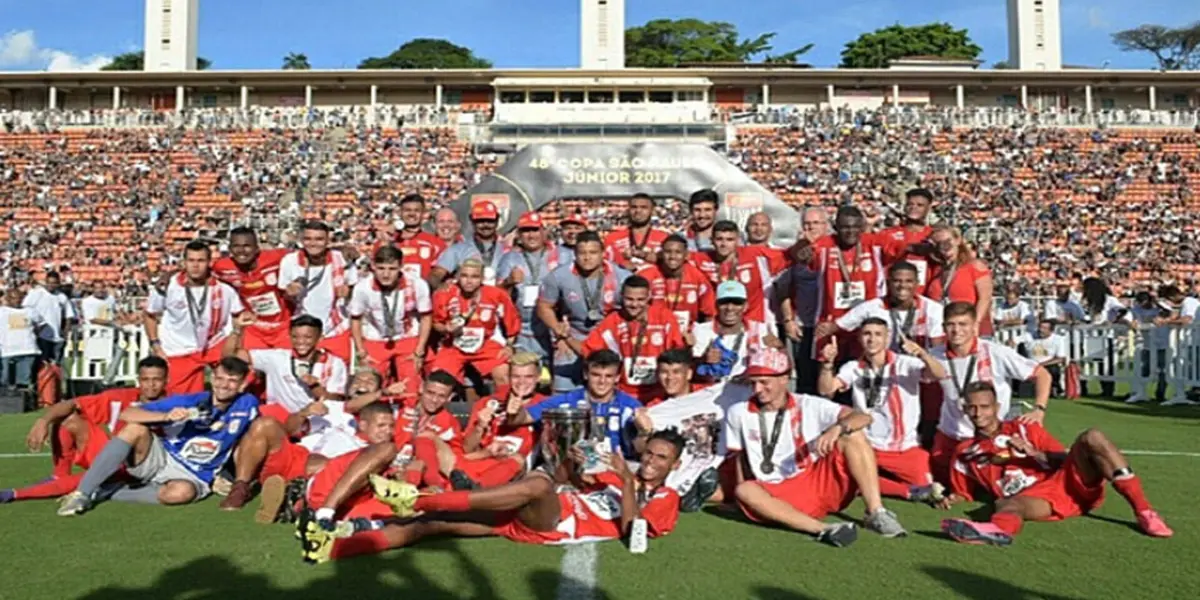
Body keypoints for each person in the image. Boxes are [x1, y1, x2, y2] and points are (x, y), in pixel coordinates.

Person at [296, 428, 685, 564]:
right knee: (428, 528)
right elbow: (565, 481)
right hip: (540, 512)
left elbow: (635, 538)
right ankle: (329, 549)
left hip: (554, 525)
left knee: (537, 484)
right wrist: (570, 460)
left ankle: (416, 498)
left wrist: (629, 484)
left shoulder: (665, 496)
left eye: (660, 458)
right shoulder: (616, 477)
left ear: (674, 464)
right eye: (649, 453)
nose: (650, 462)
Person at [939, 382, 1173, 545]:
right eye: (972, 407)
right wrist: (951, 497)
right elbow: (964, 492)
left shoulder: (1024, 427)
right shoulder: (964, 452)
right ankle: (997, 531)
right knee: (1006, 504)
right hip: (1035, 500)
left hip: (1065, 483)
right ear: (964, 409)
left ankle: (1145, 512)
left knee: (1093, 437)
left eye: (984, 406)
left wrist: (1033, 452)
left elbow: (1063, 457)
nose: (978, 413)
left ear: (997, 407)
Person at [727, 346, 908, 547]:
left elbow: (863, 417)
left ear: (784, 379)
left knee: (853, 434)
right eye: (753, 383)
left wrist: (837, 429)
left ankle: (876, 512)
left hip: (817, 480)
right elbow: (739, 458)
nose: (757, 390)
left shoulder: (809, 404)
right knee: (744, 490)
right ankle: (823, 529)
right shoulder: (738, 412)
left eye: (764, 382)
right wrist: (738, 501)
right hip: (777, 490)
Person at [56, 357, 260, 516]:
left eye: (232, 381)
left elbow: (252, 438)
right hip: (163, 457)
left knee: (180, 494)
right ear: (213, 379)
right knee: (135, 429)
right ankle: (81, 494)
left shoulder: (248, 404)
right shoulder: (192, 400)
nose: (224, 385)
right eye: (220, 378)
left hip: (195, 474)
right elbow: (128, 414)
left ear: (242, 386)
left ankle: (109, 491)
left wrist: (228, 477)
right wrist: (166, 416)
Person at [217, 314, 349, 510]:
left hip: (315, 428)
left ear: (320, 338)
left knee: (324, 466)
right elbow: (230, 358)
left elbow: (338, 401)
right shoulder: (277, 357)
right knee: (263, 422)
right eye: (296, 337)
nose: (301, 342)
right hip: (279, 424)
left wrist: (317, 389)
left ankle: (289, 492)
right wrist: (237, 330)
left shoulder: (334, 363)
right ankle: (240, 486)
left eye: (307, 337)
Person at [2, 357, 168, 503]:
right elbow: (71, 403)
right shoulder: (121, 397)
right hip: (113, 456)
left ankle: (14, 494)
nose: (151, 385)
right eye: (146, 379)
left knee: (85, 481)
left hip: (141, 466)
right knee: (68, 417)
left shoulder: (175, 403)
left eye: (157, 380)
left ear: (166, 380)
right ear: (139, 379)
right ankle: (60, 474)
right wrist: (43, 421)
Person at [816, 318, 946, 503]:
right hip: (869, 445)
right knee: (843, 473)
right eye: (867, 334)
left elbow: (939, 374)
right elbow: (826, 390)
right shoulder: (853, 367)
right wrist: (827, 365)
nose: (872, 339)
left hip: (904, 448)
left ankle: (899, 485)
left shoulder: (904, 363)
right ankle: (907, 492)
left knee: (932, 489)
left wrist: (923, 355)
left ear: (887, 339)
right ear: (860, 338)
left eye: (878, 334)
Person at [929, 302, 1051, 484]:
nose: (956, 330)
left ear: (974, 327)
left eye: (963, 324)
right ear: (943, 327)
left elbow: (1042, 374)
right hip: (951, 435)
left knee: (1004, 484)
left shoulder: (996, 352)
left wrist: (1039, 409)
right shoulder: (934, 356)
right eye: (951, 324)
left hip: (991, 437)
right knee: (939, 483)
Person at [144, 240, 246, 394]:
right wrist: (156, 346)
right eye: (191, 260)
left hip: (214, 344)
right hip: (178, 348)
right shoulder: (168, 286)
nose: (195, 265)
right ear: (184, 262)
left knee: (241, 370)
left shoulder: (225, 289)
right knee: (182, 401)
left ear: (209, 262)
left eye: (201, 260)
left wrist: (235, 342)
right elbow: (149, 314)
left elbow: (239, 316)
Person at [536, 231, 630, 391]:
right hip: (573, 335)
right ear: (575, 254)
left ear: (603, 253)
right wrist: (558, 331)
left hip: (609, 337)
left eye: (593, 252)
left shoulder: (621, 277)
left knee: (610, 387)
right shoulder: (559, 276)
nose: (587, 258)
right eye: (582, 253)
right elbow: (544, 306)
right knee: (562, 389)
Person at [507, 350, 643, 460]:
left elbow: (642, 449)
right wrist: (514, 413)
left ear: (617, 377)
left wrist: (645, 432)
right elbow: (524, 418)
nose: (602, 381)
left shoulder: (631, 406)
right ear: (585, 374)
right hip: (573, 468)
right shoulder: (567, 400)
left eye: (608, 376)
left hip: (618, 467)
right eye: (596, 375)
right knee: (536, 482)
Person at [579, 276, 687, 403]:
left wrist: (688, 346)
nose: (635, 304)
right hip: (624, 394)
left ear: (649, 297)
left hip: (660, 394)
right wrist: (565, 337)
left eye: (640, 299)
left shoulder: (665, 318)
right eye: (629, 299)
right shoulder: (612, 321)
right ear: (621, 296)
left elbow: (677, 355)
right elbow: (589, 351)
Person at [450, 352, 545, 490]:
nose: (521, 382)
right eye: (516, 376)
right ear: (509, 378)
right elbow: (467, 448)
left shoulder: (545, 404)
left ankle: (474, 491)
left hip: (513, 468)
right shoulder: (488, 402)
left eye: (528, 377)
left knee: (516, 460)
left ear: (538, 378)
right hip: (480, 460)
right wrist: (480, 427)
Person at [348, 245, 432, 397]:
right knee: (370, 387)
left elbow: (426, 317)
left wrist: (419, 350)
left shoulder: (417, 284)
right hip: (375, 338)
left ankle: (406, 417)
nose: (386, 274)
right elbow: (355, 319)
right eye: (381, 268)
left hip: (407, 337)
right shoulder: (362, 287)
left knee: (410, 387)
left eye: (392, 269)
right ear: (373, 266)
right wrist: (361, 351)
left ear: (401, 266)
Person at [429, 259, 521, 387]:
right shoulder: (444, 294)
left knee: (503, 374)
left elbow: (512, 322)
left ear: (482, 278)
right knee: (437, 380)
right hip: (453, 345)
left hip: (486, 343)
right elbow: (436, 323)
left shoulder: (496, 294)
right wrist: (446, 328)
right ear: (457, 277)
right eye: (464, 276)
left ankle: (504, 405)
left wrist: (509, 346)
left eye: (475, 276)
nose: (469, 281)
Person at [690, 220, 791, 333]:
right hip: (717, 328)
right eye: (719, 239)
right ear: (711, 240)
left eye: (730, 239)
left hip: (754, 327)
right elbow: (673, 254)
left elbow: (790, 254)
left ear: (737, 240)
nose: (724, 244)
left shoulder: (756, 254)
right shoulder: (700, 259)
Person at [279, 220, 358, 362]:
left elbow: (353, 288)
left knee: (338, 378)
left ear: (328, 240)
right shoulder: (290, 261)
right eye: (308, 239)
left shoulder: (342, 259)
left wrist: (348, 292)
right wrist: (289, 293)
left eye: (319, 239)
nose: (313, 243)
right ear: (301, 240)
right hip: (303, 331)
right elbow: (283, 296)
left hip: (336, 330)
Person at [823, 261, 945, 351]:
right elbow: (838, 326)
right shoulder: (870, 307)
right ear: (888, 283)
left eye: (909, 281)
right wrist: (824, 330)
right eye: (897, 281)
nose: (902, 286)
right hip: (882, 369)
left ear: (917, 284)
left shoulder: (933, 309)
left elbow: (938, 347)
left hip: (919, 368)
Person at [496, 212, 569, 362]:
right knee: (524, 377)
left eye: (535, 230)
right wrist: (508, 282)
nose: (531, 235)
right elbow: (497, 296)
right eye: (526, 231)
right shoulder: (509, 258)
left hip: (554, 328)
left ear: (544, 231)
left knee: (557, 378)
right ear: (519, 235)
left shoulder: (562, 255)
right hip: (522, 330)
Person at [212, 227, 294, 350]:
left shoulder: (277, 258)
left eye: (247, 246)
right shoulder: (222, 267)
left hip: (284, 326)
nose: (242, 251)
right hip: (254, 327)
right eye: (236, 246)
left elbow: (303, 259)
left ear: (257, 248)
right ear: (230, 249)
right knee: (248, 365)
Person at [778, 205, 830, 393]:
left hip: (829, 324)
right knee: (805, 379)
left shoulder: (832, 248)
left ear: (826, 225)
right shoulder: (793, 253)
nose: (811, 228)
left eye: (816, 223)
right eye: (806, 224)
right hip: (804, 324)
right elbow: (783, 287)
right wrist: (788, 320)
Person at [637, 234, 715, 343]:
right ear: (660, 254)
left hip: (686, 337)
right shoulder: (646, 276)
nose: (672, 256)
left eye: (678, 252)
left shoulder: (698, 278)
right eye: (668, 252)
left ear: (686, 255)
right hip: (655, 336)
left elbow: (709, 314)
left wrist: (701, 338)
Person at [691, 281, 772, 384]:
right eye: (724, 302)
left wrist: (781, 350)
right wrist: (703, 360)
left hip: (748, 391)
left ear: (745, 306)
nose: (730, 308)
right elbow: (689, 372)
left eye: (736, 302)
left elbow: (777, 371)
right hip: (709, 391)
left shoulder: (760, 330)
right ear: (716, 305)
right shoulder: (701, 330)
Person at [924, 225, 995, 338]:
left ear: (958, 240)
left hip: (971, 330)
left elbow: (985, 298)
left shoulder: (974, 266)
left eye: (948, 241)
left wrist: (975, 324)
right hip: (944, 331)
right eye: (939, 243)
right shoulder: (936, 270)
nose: (944, 246)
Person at [431, 201, 505, 288]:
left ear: (497, 221)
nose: (485, 225)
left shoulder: (507, 249)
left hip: (499, 299)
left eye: (490, 221)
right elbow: (434, 276)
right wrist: (443, 288)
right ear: (472, 221)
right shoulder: (457, 249)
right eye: (480, 221)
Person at [877, 188, 934, 292]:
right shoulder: (888, 233)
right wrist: (908, 248)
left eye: (919, 205)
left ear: (928, 208)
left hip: (925, 294)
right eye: (910, 204)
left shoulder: (934, 234)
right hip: (894, 292)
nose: (913, 208)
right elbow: (882, 258)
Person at [603, 193, 671, 271]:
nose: (638, 211)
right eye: (634, 207)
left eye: (644, 207)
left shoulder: (664, 237)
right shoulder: (612, 238)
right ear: (628, 210)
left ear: (652, 211)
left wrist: (647, 256)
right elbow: (606, 265)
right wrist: (621, 262)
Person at [22, 270, 76, 363]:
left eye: (54, 283)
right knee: (42, 364)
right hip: (41, 335)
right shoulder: (36, 293)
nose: (51, 285)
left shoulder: (61, 296)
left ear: (58, 283)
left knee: (56, 364)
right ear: (45, 282)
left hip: (57, 336)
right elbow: (25, 310)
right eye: (49, 282)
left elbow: (69, 315)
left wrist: (66, 332)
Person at [392, 194, 448, 282]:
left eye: (417, 210)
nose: (412, 214)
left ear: (423, 213)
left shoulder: (436, 243)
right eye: (407, 210)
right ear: (400, 213)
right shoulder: (390, 240)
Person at [0, 287, 45, 389]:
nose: (17, 300)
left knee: (24, 381)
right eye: (13, 298)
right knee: (5, 380)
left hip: (27, 349)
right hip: (7, 351)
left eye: (19, 298)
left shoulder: (30, 311)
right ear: (7, 299)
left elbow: (42, 324)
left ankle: (24, 402)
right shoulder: (2, 311)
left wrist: (35, 334)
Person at [1024, 319, 1068, 397]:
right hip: (1030, 364)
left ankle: (1054, 388)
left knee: (1054, 369)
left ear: (1051, 330)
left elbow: (1060, 358)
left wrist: (1042, 364)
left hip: (1047, 364)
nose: (1041, 330)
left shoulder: (1058, 339)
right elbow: (1015, 340)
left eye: (1044, 328)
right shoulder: (1030, 336)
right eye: (1040, 327)